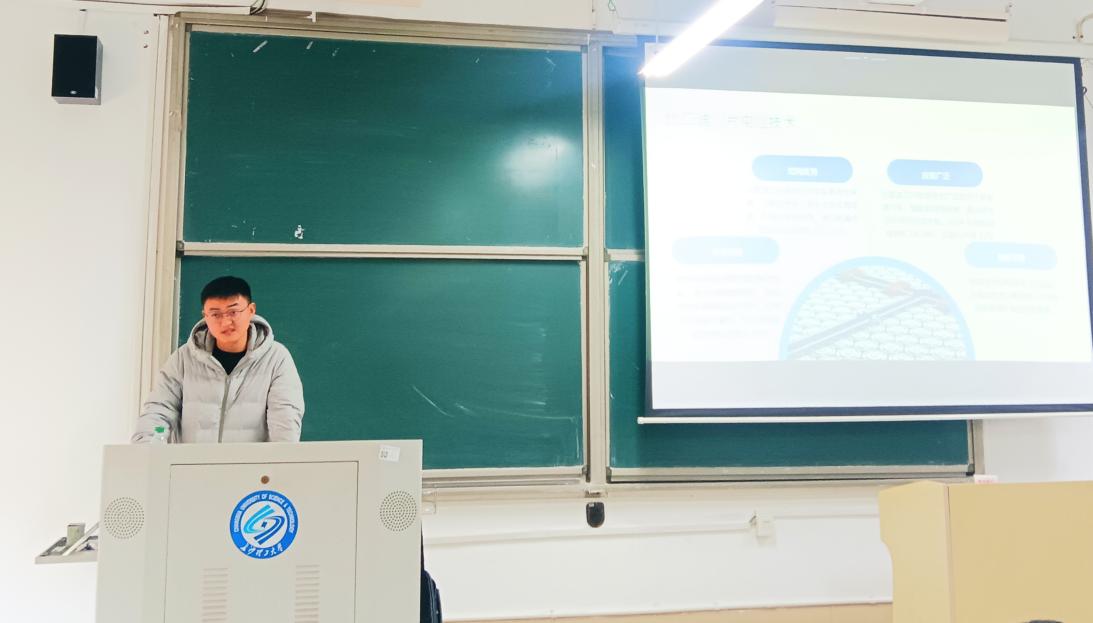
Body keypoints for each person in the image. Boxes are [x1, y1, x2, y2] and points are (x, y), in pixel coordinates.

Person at [132, 276, 304, 443]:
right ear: (205, 316)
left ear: (251, 310)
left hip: (253, 463)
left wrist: (282, 460)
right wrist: (147, 450)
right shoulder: (183, 359)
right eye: (215, 314)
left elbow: (285, 421)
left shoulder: (276, 359)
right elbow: (159, 411)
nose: (225, 322)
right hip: (193, 462)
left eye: (233, 312)